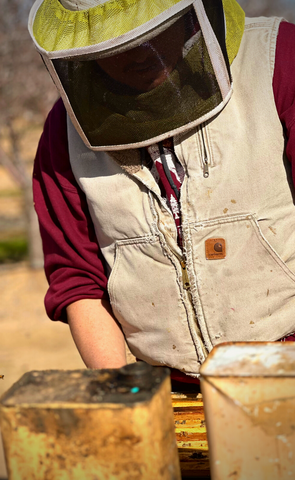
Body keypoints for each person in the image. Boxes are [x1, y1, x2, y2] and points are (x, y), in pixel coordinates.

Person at [28, 0, 295, 385]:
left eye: (149, 30)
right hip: (167, 388)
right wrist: (125, 393)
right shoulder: (64, 132)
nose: (138, 53)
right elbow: (78, 279)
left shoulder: (280, 60)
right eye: (114, 42)